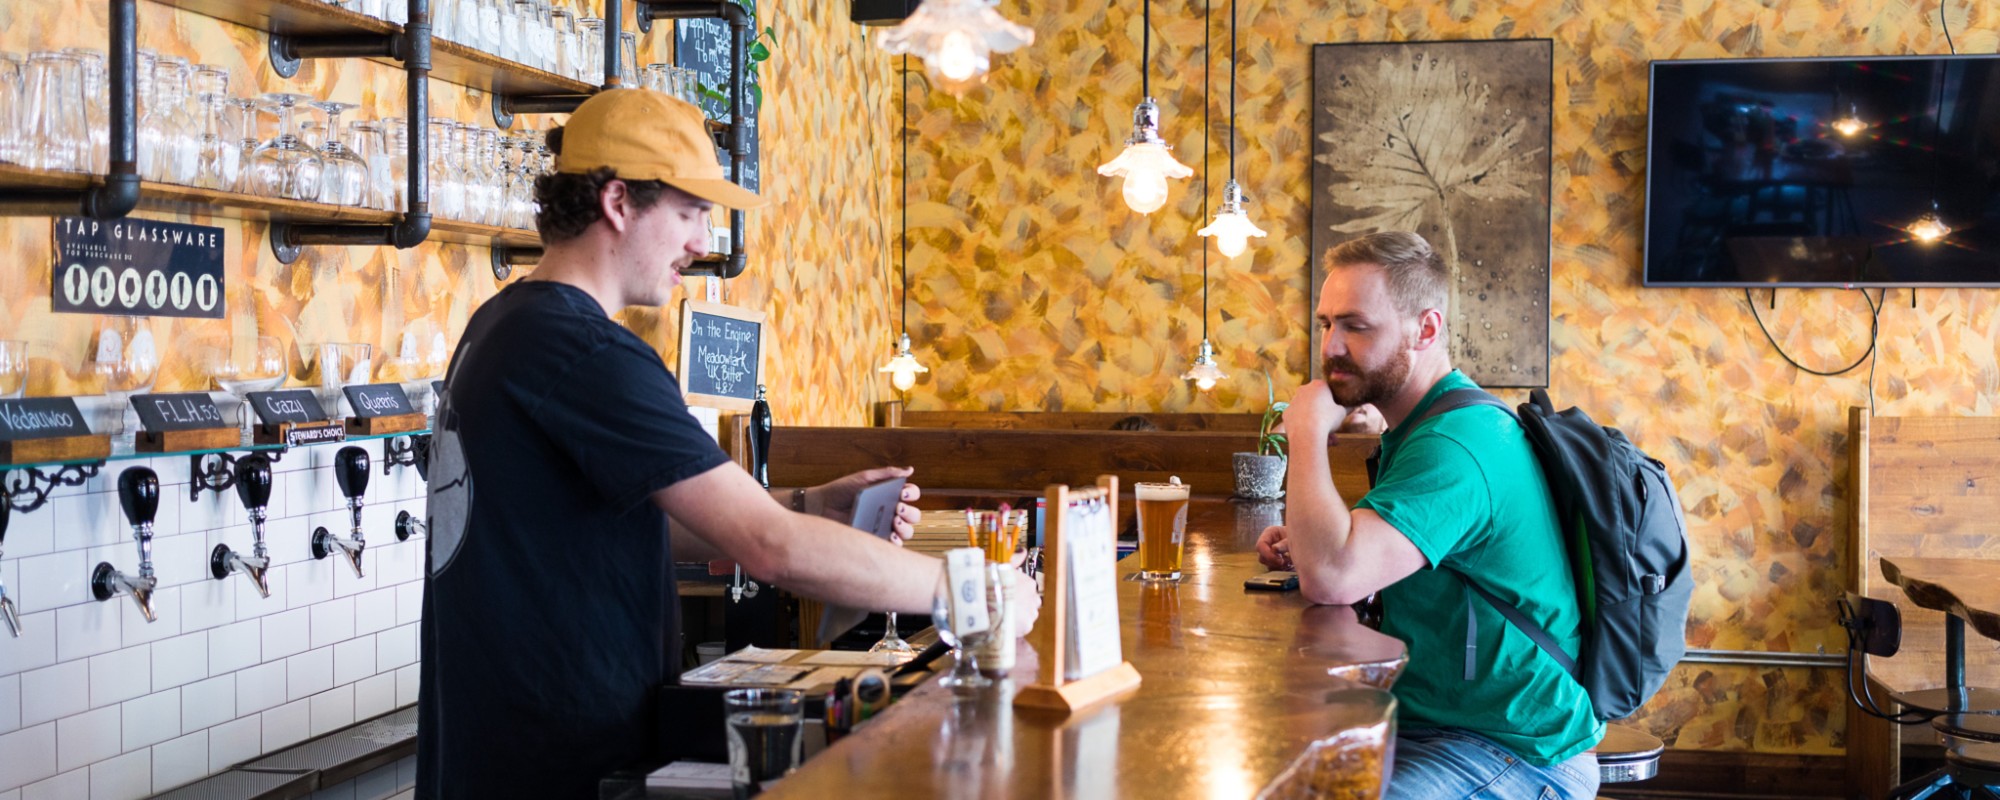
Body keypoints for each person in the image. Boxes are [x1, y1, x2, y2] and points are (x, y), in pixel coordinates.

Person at [416, 90, 1040, 799]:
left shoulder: (501, 325)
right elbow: (772, 548)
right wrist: (973, 594)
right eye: (690, 213)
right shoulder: (584, 350)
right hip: (558, 761)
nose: (703, 243)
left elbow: (608, 519)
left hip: (495, 753)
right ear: (619, 202)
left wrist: (812, 504)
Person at [1255, 232, 1601, 799]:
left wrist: (1307, 431)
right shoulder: (1421, 429)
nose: (1332, 346)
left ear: (1427, 329)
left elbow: (1334, 577)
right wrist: (1308, 540)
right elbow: (1357, 555)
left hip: (1515, 750)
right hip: (1435, 723)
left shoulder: (1457, 444)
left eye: (1356, 326)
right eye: (1325, 324)